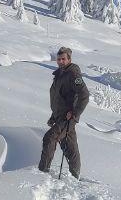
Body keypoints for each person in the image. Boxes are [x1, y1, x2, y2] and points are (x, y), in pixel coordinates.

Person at [38, 46, 90, 178]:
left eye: (63, 59)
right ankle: (75, 175)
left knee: (49, 138)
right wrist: (53, 116)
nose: (60, 61)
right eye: (58, 59)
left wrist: (74, 113)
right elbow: (60, 98)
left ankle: (42, 172)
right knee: (70, 147)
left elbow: (84, 95)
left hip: (67, 118)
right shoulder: (60, 74)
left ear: (69, 59)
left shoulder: (73, 74)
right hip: (60, 116)